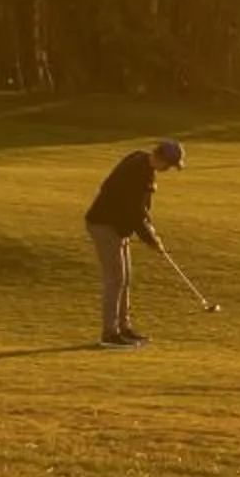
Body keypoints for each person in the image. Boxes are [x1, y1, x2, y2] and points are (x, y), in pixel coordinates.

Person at [85, 138, 183, 348]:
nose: (167, 169)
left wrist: (151, 232)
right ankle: (109, 334)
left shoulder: (144, 166)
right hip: (103, 224)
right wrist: (150, 239)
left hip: (118, 227)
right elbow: (134, 214)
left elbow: (142, 210)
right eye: (168, 165)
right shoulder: (136, 172)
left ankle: (124, 328)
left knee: (125, 278)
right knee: (115, 279)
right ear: (160, 158)